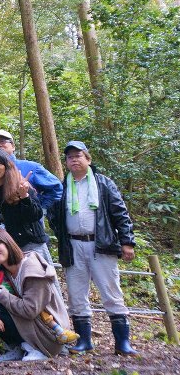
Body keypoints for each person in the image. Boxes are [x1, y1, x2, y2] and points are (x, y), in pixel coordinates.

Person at [49, 140, 138, 355]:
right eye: (70, 157)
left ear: (88, 159)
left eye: (78, 156)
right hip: (72, 245)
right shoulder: (62, 186)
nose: (74, 160)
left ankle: (123, 343)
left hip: (102, 245)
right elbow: (54, 215)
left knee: (111, 292)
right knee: (77, 294)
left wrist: (126, 242)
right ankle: (84, 342)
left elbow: (120, 213)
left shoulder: (104, 184)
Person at [0, 228, 70, 361]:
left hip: (49, 334)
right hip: (34, 326)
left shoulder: (32, 269)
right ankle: (19, 347)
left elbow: (30, 310)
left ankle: (37, 349)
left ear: (7, 242)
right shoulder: (6, 269)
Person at [0, 246, 76, 350]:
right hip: (12, 311)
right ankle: (22, 346)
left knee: (42, 314)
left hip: (23, 304)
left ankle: (60, 331)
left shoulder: (4, 270)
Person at [0, 150, 49, 258]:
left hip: (31, 246)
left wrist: (25, 196)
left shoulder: (20, 186)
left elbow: (36, 215)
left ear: (7, 166)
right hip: (6, 250)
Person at [0, 129, 63, 211]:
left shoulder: (30, 167)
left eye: (2, 141)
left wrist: (41, 209)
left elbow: (56, 188)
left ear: (13, 146)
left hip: (31, 220)